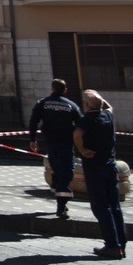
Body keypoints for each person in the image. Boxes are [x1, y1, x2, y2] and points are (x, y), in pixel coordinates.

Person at [74, 89, 127, 259]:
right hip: (110, 166)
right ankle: (121, 244)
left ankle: (112, 245)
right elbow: (110, 107)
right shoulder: (107, 116)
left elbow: (77, 134)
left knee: (101, 206)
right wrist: (98, 98)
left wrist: (82, 150)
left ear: (86, 105)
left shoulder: (87, 119)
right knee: (115, 206)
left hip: (94, 167)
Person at [28, 78, 81, 219]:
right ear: (65, 90)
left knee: (59, 169)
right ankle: (61, 206)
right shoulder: (72, 106)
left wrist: (32, 139)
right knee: (67, 171)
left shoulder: (42, 103)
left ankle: (57, 184)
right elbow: (81, 125)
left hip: (50, 142)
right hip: (66, 142)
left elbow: (33, 121)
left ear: (52, 89)